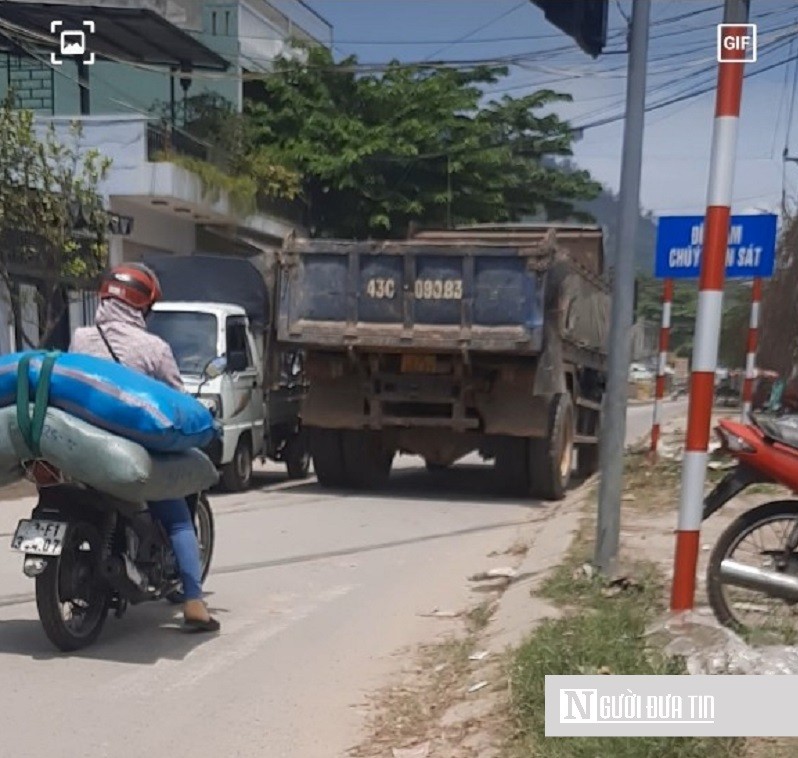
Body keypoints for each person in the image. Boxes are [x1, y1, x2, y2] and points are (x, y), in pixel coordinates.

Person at [70, 262, 220, 633]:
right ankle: (194, 603)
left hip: (79, 448)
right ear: (143, 305)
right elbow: (176, 400)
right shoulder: (153, 347)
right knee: (178, 516)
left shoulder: (80, 338)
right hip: (133, 453)